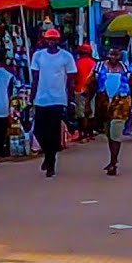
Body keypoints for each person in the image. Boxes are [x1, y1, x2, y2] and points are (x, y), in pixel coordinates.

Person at [29, 28, 77, 178]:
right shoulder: (38, 56)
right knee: (38, 131)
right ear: (45, 40)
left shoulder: (66, 57)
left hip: (58, 99)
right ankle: (47, 155)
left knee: (53, 133)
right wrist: (32, 96)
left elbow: (70, 81)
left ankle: (51, 162)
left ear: (58, 41)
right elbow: (35, 78)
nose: (52, 42)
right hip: (41, 99)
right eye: (49, 39)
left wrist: (70, 100)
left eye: (54, 39)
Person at [90, 47, 132, 176]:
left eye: (116, 55)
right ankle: (113, 158)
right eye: (111, 54)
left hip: (121, 103)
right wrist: (88, 104)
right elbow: (90, 85)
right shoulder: (98, 68)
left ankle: (113, 162)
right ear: (107, 55)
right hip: (104, 104)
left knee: (115, 132)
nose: (114, 57)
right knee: (109, 133)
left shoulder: (127, 69)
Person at [74, 43, 99, 141]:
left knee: (81, 114)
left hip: (79, 90)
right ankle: (90, 133)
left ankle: (82, 135)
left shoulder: (77, 63)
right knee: (91, 113)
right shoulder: (93, 63)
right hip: (91, 91)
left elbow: (74, 78)